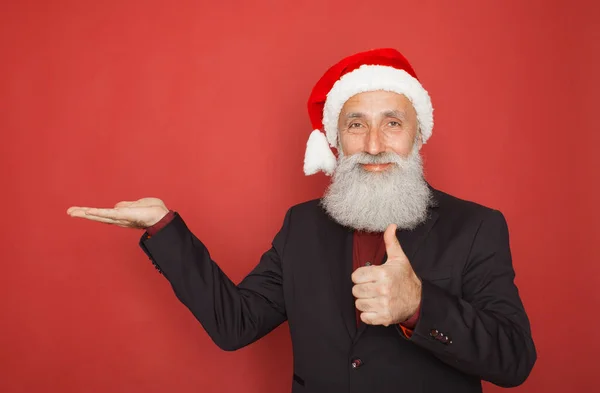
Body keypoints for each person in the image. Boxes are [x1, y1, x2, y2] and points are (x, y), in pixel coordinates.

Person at [67, 48, 536, 393]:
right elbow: (236, 324)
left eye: (392, 123)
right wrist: (163, 228)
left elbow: (514, 361)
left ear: (418, 135)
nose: (373, 144)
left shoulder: (476, 226)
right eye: (356, 125)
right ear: (336, 138)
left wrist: (418, 306)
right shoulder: (302, 226)